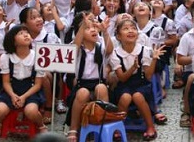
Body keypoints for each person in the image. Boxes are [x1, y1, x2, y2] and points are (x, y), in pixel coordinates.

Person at [109, 18, 165, 140]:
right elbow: (122, 79)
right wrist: (133, 67)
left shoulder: (144, 50)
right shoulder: (115, 53)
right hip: (124, 85)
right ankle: (118, 127)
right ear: (118, 36)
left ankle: (150, 127)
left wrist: (154, 59)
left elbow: (148, 76)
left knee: (138, 96)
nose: (130, 31)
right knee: (125, 97)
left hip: (141, 83)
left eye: (133, 28)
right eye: (126, 28)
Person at [0, 25, 47, 138]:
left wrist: (23, 97)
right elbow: (6, 82)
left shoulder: (38, 56)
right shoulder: (6, 57)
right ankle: (0, 123)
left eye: (26, 32)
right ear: (14, 41)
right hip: (12, 88)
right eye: (21, 34)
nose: (26, 35)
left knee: (31, 111)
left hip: (30, 89)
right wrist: (13, 96)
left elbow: (38, 84)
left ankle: (41, 125)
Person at [65, 14, 113, 142]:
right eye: (88, 28)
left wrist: (105, 31)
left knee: (102, 89)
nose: (93, 30)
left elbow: (109, 50)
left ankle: (104, 125)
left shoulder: (100, 43)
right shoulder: (77, 47)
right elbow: (74, 48)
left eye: (94, 27)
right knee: (82, 93)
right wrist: (82, 28)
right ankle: (73, 128)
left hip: (98, 81)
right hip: (81, 84)